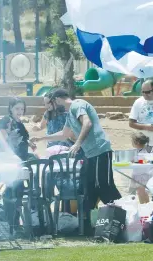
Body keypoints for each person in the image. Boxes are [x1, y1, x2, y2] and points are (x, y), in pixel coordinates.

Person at [30, 88, 121, 225]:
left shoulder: (77, 104)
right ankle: (86, 225)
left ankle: (122, 215)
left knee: (104, 185)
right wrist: (41, 138)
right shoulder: (69, 114)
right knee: (89, 187)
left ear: (57, 100)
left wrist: (77, 143)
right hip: (90, 154)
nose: (52, 107)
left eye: (52, 103)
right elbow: (64, 134)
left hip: (100, 150)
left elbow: (87, 123)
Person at [0, 97, 36, 161]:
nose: (20, 111)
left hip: (20, 154)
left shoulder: (20, 123)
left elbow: (23, 138)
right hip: (7, 154)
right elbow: (4, 139)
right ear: (11, 108)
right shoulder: (6, 120)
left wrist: (30, 143)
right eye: (17, 109)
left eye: (22, 109)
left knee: (35, 158)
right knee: (17, 160)